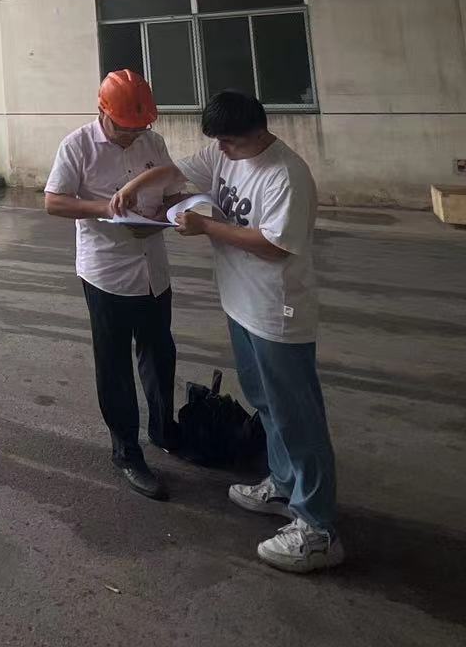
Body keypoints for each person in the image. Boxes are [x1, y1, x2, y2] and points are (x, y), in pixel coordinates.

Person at [114, 89, 342, 573]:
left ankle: (318, 528)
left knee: (297, 417)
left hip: (277, 312)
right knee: (266, 403)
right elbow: (176, 170)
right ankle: (283, 485)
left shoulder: (285, 175)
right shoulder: (225, 153)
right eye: (217, 142)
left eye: (230, 142)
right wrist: (138, 185)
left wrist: (206, 228)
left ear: (258, 133)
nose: (220, 150)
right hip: (241, 305)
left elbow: (274, 245)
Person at [43, 70, 183, 501]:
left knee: (160, 353)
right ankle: (126, 452)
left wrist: (167, 214)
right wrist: (106, 209)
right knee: (114, 364)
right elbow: (54, 201)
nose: (133, 135)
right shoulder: (77, 146)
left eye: (140, 127)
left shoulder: (152, 142)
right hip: (106, 273)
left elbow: (172, 192)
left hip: (153, 270)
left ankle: (164, 430)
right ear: (103, 111)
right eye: (125, 128)